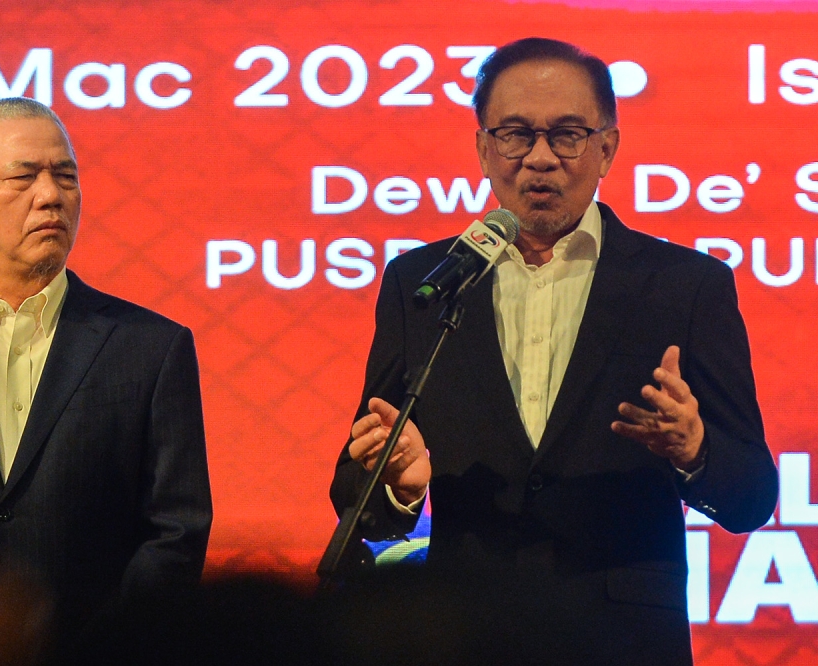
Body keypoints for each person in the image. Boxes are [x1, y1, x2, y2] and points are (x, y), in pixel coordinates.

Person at [330, 38, 778, 665]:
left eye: (567, 134)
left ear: (607, 149)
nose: (540, 159)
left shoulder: (686, 285)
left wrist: (696, 451)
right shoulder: (422, 283)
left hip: (623, 641)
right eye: (515, 134)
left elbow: (753, 497)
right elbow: (356, 494)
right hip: (462, 634)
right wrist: (398, 485)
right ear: (484, 149)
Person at [0, 97, 212, 658]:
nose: (50, 195)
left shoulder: (150, 346)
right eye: (22, 177)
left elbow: (176, 532)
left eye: (65, 176)